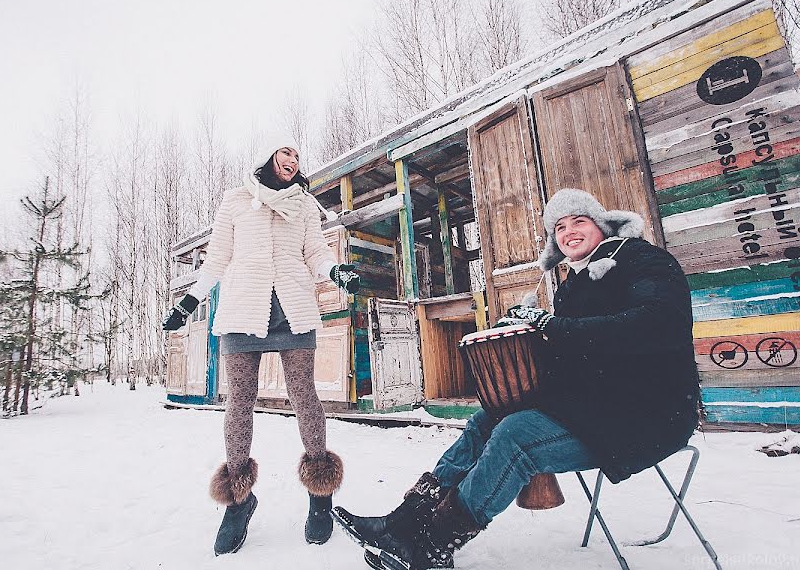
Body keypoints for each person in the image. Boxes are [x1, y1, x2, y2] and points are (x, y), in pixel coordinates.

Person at [332, 188, 700, 570]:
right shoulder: (575, 284)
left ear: (602, 225)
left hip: (648, 415)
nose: (569, 231)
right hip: (596, 406)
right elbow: (571, 355)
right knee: (487, 419)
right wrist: (527, 333)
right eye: (559, 226)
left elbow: (657, 325)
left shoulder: (643, 260)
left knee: (516, 433)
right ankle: (403, 522)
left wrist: (553, 327)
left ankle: (434, 545)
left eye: (579, 221)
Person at [162, 135, 360, 555]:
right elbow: (217, 257)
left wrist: (336, 272)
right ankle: (238, 500)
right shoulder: (235, 201)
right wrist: (189, 302)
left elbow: (315, 253)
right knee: (239, 402)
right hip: (241, 307)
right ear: (268, 155)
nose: (293, 159)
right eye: (286, 151)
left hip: (292, 306)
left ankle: (320, 495)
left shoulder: (305, 205)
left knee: (305, 397)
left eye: (297, 155)